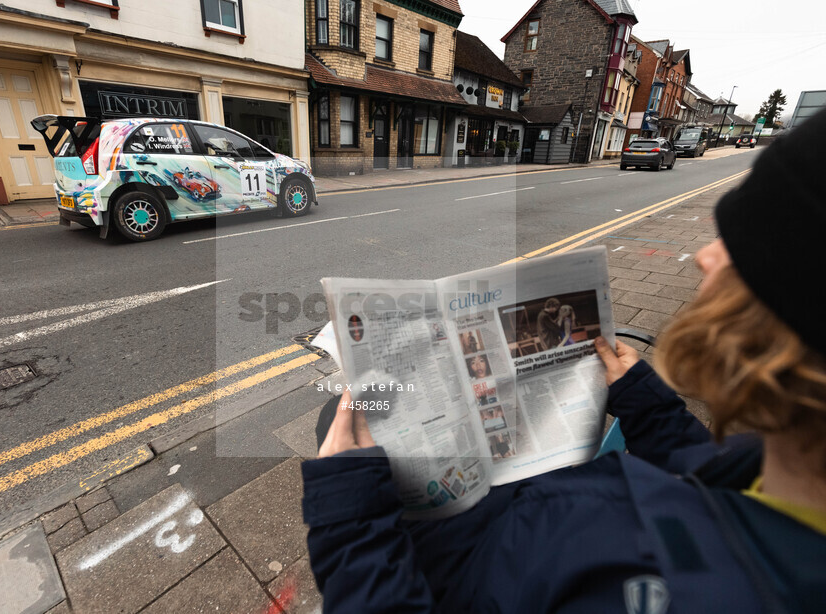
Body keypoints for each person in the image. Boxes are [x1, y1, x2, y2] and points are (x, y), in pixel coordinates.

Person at [303, 108, 826, 613]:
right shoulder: (775, 474)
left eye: (744, 243)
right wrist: (649, 407)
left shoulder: (672, 584)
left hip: (471, 558)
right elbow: (713, 471)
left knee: (351, 415)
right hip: (529, 510)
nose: (707, 256)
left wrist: (351, 523)